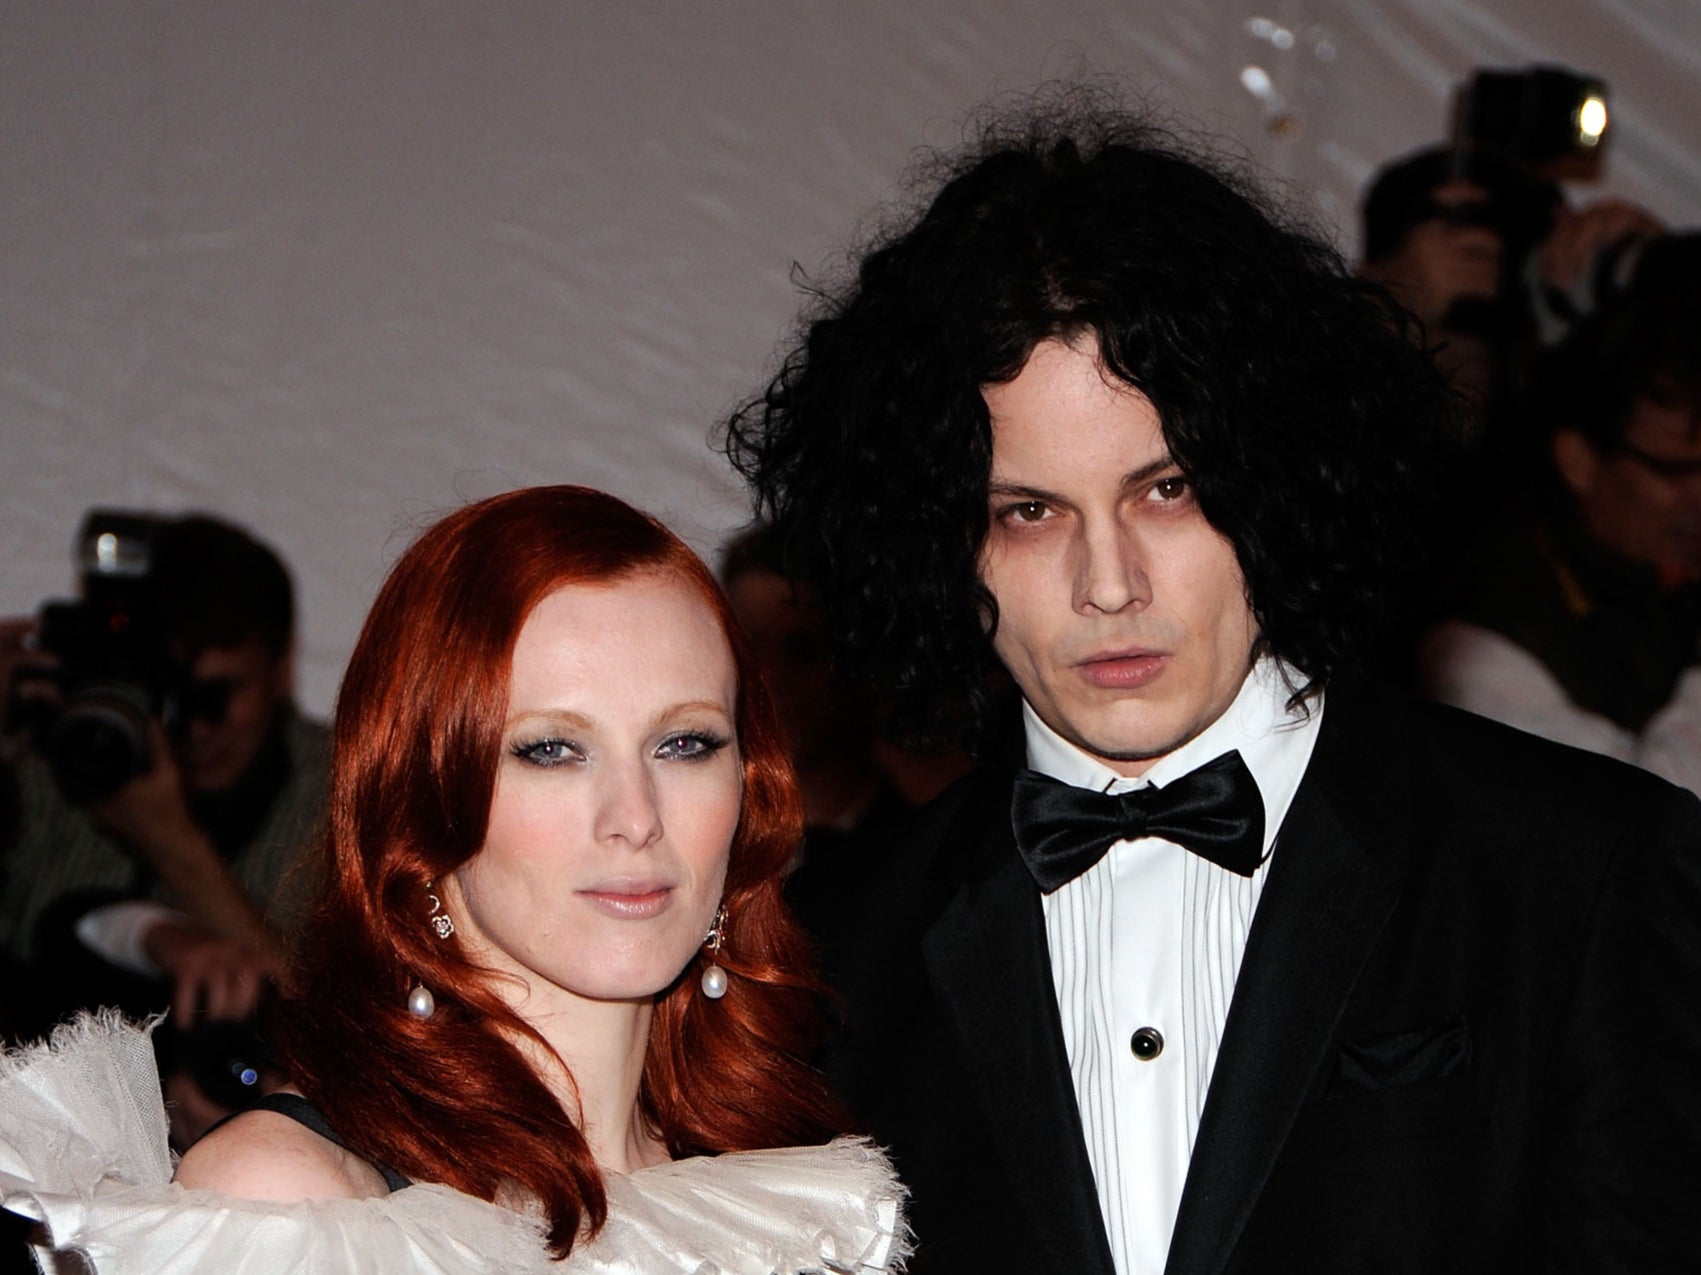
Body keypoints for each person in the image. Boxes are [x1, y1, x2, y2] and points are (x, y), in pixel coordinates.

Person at [724, 102, 1701, 1272]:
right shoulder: (828, 955)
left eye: (1168, 489)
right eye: (1029, 513)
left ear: (1279, 478)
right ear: (941, 545)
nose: (1108, 583)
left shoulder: (1579, 871)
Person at [0, 486, 907, 1273]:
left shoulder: (778, 1188)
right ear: (424, 802)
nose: (635, 815)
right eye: (550, 749)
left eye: (684, 743)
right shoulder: (292, 1203)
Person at [0, 513, 327, 1143]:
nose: (195, 728)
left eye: (216, 696)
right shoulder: (60, 765)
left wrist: (170, 843)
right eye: (172, 699)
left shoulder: (343, 794)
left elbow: (326, 1028)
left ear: (281, 665)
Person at [1421, 232, 1701, 796]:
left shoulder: (1652, 571)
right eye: (1673, 472)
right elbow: (1652, 836)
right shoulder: (1483, 645)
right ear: (1579, 460)